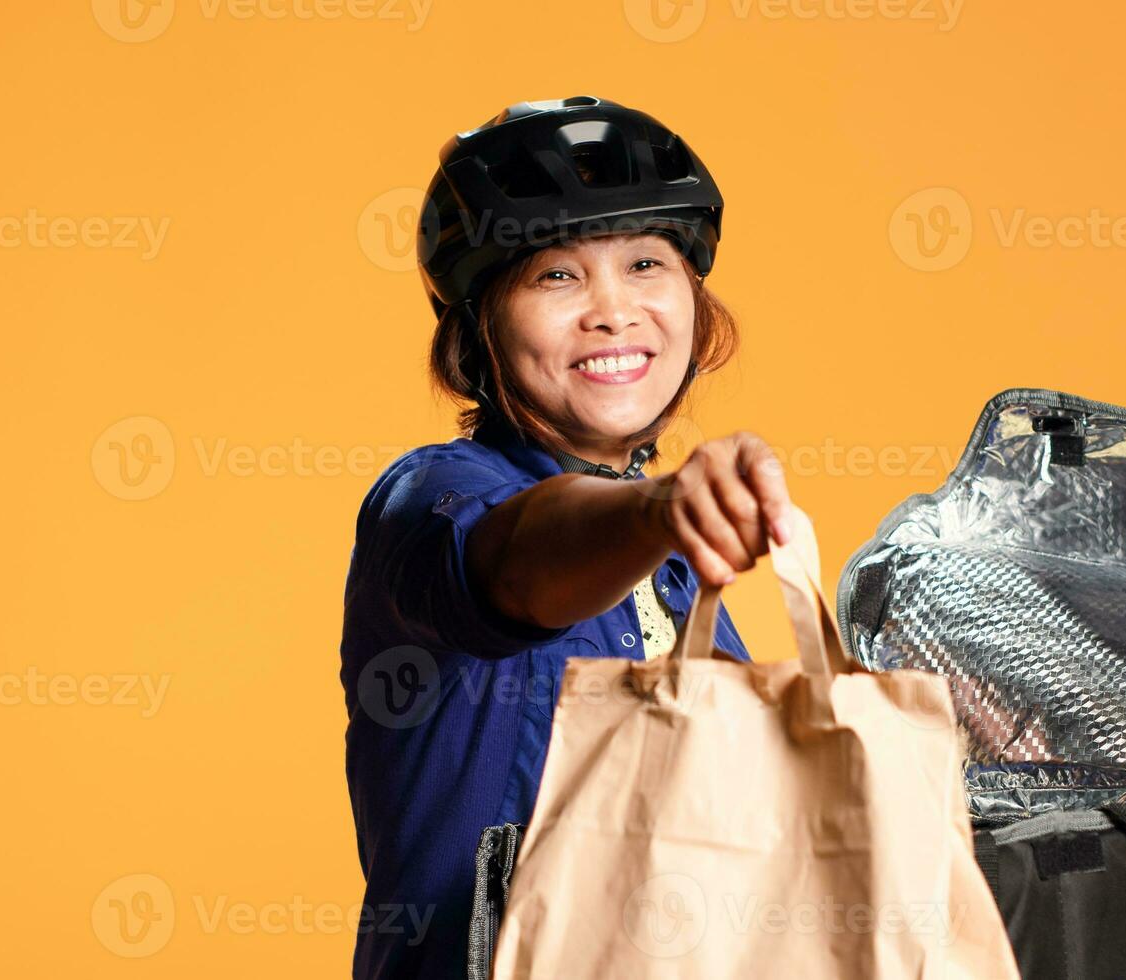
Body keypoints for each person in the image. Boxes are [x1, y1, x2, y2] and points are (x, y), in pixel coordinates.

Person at [339, 96, 794, 979]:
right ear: (480, 324)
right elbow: (512, 568)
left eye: (645, 263)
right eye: (557, 276)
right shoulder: (431, 497)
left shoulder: (671, 572)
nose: (614, 311)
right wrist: (657, 510)